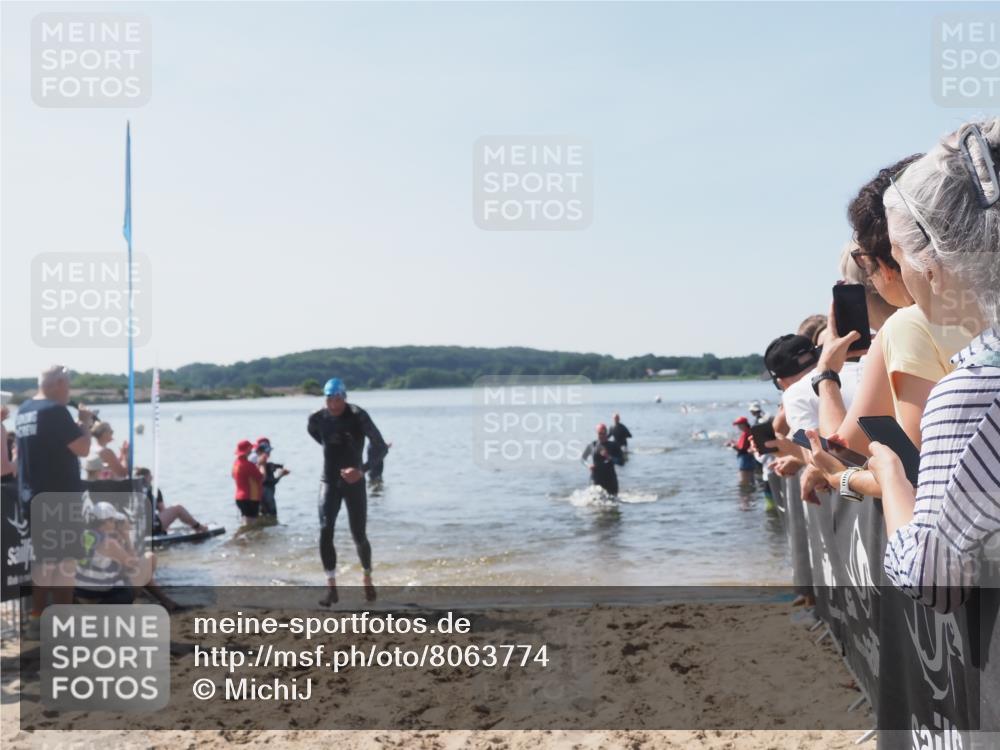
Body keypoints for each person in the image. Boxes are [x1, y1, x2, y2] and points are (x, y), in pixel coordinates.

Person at [811, 119, 1000, 612]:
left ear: (932, 262)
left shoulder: (971, 388)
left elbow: (935, 580)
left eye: (896, 254)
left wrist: (889, 471)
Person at [15, 365, 94, 639]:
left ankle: (38, 620)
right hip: (59, 494)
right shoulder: (55, 411)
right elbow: (82, 449)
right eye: (69, 386)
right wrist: (85, 423)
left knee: (44, 560)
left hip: (32, 495)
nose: (69, 392)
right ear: (59, 384)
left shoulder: (24, 410)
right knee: (65, 562)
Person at [308, 377, 388, 605]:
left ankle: (367, 577)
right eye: (328, 399)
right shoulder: (316, 418)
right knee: (325, 529)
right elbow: (319, 438)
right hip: (329, 480)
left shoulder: (358, 415)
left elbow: (380, 447)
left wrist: (361, 470)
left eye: (337, 399)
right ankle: (331, 587)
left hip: (354, 482)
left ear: (344, 397)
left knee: (359, 535)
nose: (332, 404)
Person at [135, 467, 206, 534]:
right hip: (150, 527)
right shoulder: (153, 490)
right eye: (150, 476)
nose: (152, 478)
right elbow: (162, 510)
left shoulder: (132, 490)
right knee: (178, 508)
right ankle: (198, 527)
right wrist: (165, 528)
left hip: (136, 529)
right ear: (147, 477)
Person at [581, 423, 624, 496]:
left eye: (604, 433)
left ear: (606, 433)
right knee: (594, 503)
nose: (602, 435)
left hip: (610, 480)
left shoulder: (613, 445)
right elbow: (583, 459)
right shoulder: (592, 445)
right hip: (596, 480)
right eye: (600, 433)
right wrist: (588, 465)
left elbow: (622, 462)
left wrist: (609, 457)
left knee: (612, 504)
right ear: (597, 433)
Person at [254, 437, 289, 518]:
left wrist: (277, 467)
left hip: (258, 498)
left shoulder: (255, 463)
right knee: (272, 518)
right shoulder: (263, 465)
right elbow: (270, 482)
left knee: (262, 518)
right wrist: (281, 475)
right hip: (267, 497)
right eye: (268, 452)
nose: (269, 454)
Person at [232, 439, 263, 525]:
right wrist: (262, 464)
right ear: (247, 451)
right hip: (250, 498)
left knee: (245, 522)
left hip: (239, 498)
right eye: (250, 449)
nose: (251, 451)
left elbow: (233, 476)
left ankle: (242, 537)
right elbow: (261, 477)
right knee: (252, 524)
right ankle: (249, 537)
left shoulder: (236, 464)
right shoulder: (248, 465)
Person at [727, 416, 756, 488]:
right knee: (751, 480)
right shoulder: (750, 431)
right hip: (750, 458)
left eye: (738, 425)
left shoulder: (745, 433)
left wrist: (732, 445)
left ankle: (745, 497)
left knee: (744, 481)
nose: (738, 427)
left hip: (744, 459)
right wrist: (735, 443)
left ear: (743, 424)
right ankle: (752, 496)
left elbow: (741, 449)